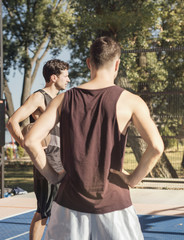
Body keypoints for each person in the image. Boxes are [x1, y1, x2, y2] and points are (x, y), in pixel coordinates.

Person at [24, 36, 164, 240]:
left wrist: (52, 176)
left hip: (68, 207)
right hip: (114, 205)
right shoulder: (131, 101)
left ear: (89, 63)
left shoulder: (63, 99)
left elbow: (30, 140)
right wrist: (132, 180)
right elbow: (156, 147)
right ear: (117, 64)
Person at [6, 59, 70, 240]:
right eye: (65, 76)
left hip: (61, 158)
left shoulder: (60, 98)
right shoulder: (39, 97)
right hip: (48, 158)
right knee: (45, 210)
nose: (69, 79)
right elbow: (12, 122)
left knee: (60, 207)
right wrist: (26, 144)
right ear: (53, 77)